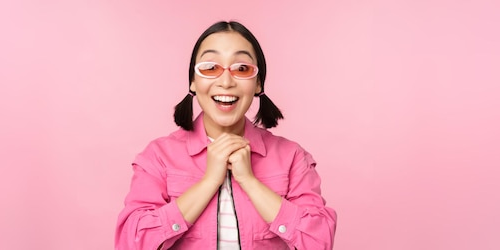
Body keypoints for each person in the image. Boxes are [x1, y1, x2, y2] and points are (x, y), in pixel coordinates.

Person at [115, 20, 337, 249]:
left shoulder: (292, 157)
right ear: (192, 81)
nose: (226, 81)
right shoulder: (158, 156)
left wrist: (249, 182)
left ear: (258, 83)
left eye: (242, 69)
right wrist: (210, 181)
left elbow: (318, 242)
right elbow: (131, 243)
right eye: (210, 68)